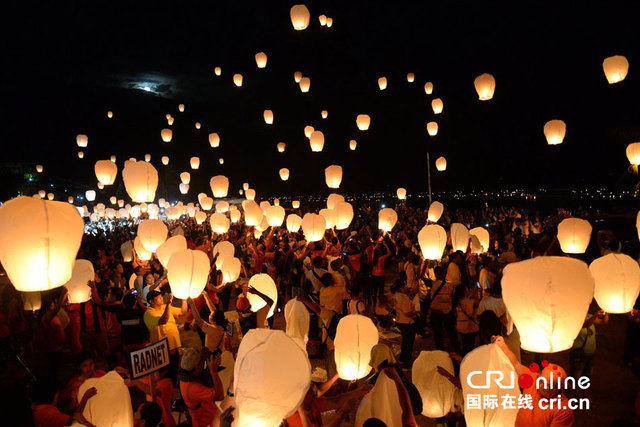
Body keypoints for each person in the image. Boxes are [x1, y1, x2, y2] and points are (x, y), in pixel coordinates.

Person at [493, 336, 575, 426]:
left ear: (558, 388)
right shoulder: (533, 381)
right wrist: (502, 345)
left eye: (547, 385)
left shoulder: (563, 410)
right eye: (540, 380)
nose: (539, 385)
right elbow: (515, 364)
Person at [143, 290, 188, 378]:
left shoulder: (165, 307)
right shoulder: (148, 313)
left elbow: (183, 312)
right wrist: (168, 304)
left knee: (175, 369)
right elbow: (163, 320)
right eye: (158, 297)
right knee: (165, 372)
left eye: (161, 296)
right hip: (162, 348)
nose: (161, 298)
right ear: (151, 301)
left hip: (174, 344)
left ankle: (174, 387)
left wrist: (184, 299)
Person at [178, 348, 224, 427]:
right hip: (206, 423)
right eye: (202, 362)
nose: (204, 363)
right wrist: (213, 371)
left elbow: (205, 350)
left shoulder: (187, 375)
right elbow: (219, 396)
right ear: (196, 368)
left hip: (212, 415)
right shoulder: (192, 388)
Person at [570, 309, 609, 380]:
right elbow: (586, 324)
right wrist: (595, 315)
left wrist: (607, 312)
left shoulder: (589, 316)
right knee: (574, 378)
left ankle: (585, 390)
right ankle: (571, 391)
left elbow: (604, 321)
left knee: (587, 377)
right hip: (579, 354)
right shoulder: (575, 318)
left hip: (590, 354)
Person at [429, 266, 458, 352]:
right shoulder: (450, 285)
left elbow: (419, 278)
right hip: (447, 311)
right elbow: (453, 297)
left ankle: (440, 348)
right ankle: (455, 346)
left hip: (436, 311)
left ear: (435, 274)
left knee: (438, 332)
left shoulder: (432, 284)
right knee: (450, 330)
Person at [390, 280, 416, 369]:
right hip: (407, 322)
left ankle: (402, 359)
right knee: (408, 343)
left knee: (405, 342)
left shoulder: (396, 296)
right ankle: (406, 363)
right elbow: (407, 313)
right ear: (401, 288)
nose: (406, 287)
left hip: (400, 321)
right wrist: (416, 313)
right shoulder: (403, 298)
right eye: (405, 285)